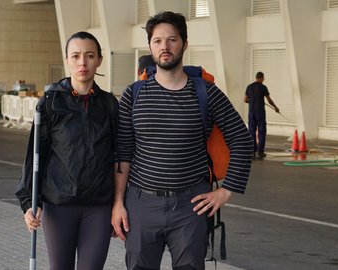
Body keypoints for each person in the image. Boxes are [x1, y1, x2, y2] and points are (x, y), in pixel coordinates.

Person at [112, 11, 253, 270]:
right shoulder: (134, 94)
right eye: (157, 41)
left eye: (172, 39)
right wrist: (118, 203)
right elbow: (123, 154)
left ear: (184, 44)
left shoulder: (206, 92)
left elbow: (242, 139)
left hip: (191, 207)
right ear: (150, 47)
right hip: (141, 205)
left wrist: (227, 190)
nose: (164, 46)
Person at [15, 31, 119, 270]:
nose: (83, 62)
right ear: (67, 60)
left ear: (100, 60)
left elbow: (118, 156)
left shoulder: (109, 104)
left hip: (99, 206)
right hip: (59, 205)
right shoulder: (51, 101)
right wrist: (29, 202)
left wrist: (118, 204)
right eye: (76, 56)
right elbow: (35, 155)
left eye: (90, 55)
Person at [244, 71, 280, 158]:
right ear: (261, 78)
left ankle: (252, 150)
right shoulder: (263, 87)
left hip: (251, 112)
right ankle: (260, 151)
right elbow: (269, 100)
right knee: (261, 131)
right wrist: (275, 107)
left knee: (251, 131)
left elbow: (245, 100)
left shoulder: (249, 87)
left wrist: (251, 101)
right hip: (260, 112)